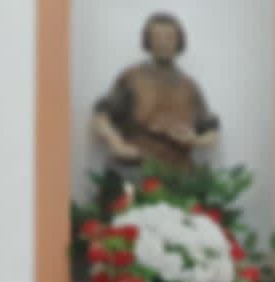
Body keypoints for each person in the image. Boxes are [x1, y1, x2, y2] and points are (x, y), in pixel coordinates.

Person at [92, 12, 220, 169]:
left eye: (169, 37)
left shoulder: (189, 86)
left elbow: (211, 131)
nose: (163, 43)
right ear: (148, 41)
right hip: (137, 169)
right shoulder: (132, 78)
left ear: (179, 42)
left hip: (179, 173)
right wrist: (117, 145)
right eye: (157, 37)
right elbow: (101, 116)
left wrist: (194, 140)